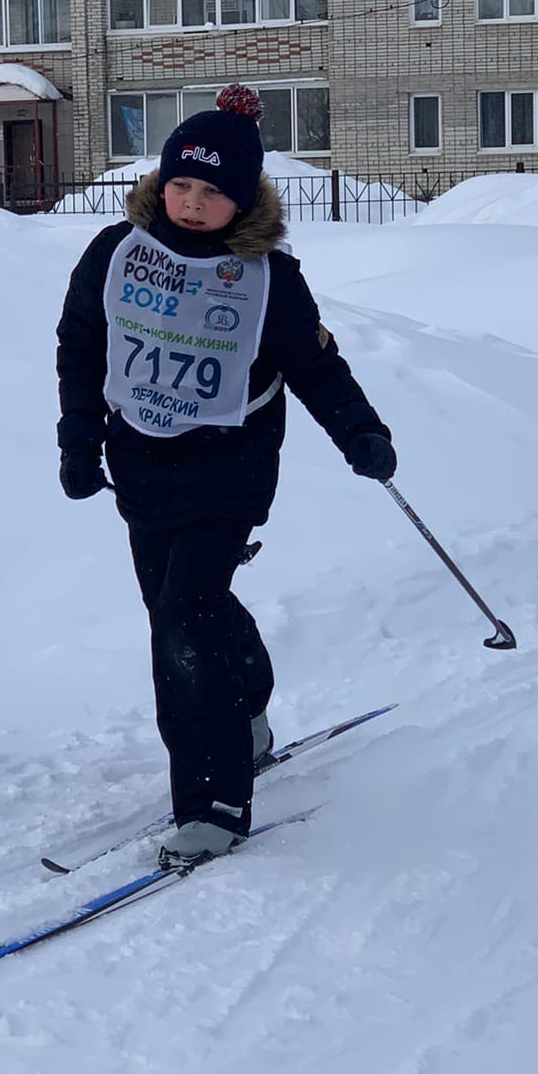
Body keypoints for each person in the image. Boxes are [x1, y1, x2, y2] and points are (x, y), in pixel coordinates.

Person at [55, 85, 397, 866]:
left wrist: (361, 431)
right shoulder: (116, 253)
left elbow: (314, 364)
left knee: (185, 619)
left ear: (240, 199)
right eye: (180, 183)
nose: (191, 201)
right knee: (180, 612)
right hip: (138, 455)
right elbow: (81, 346)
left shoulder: (265, 275)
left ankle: (212, 799)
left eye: (211, 191)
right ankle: (245, 712)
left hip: (229, 462)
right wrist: (78, 442)